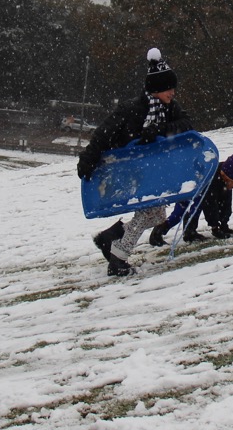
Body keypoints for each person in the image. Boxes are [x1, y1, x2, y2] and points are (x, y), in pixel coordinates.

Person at [76, 48, 194, 276]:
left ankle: (110, 237)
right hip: (131, 172)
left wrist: (160, 129)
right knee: (149, 214)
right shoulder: (132, 110)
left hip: (155, 172)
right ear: (156, 89)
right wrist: (88, 158)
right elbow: (103, 134)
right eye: (168, 88)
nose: (173, 92)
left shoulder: (169, 109)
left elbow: (187, 124)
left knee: (157, 216)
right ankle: (118, 260)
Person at [149, 154, 233, 245]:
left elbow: (225, 204)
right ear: (226, 177)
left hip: (199, 191)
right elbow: (210, 205)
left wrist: (224, 224)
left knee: (195, 205)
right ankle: (163, 233)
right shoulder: (212, 178)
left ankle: (186, 231)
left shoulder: (225, 182)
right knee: (185, 210)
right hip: (189, 187)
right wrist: (215, 227)